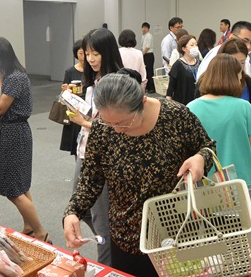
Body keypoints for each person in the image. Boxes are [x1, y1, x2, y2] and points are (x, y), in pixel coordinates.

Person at [63, 72, 215, 276]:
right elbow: (91, 179)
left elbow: (207, 146)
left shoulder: (175, 116)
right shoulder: (102, 129)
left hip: (174, 233)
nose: (116, 130)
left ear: (142, 102)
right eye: (109, 123)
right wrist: (73, 211)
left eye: (123, 123)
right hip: (126, 235)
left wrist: (200, 158)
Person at [0, 37, 49, 242]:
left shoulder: (15, 78)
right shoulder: (9, 75)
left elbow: (0, 108)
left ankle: (41, 233)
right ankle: (29, 226)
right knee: (21, 185)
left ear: (2, 56)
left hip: (14, 133)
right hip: (14, 131)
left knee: (13, 189)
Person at [67, 27, 123, 266]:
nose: (90, 58)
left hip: (103, 158)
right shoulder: (94, 81)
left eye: (95, 53)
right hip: (85, 151)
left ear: (107, 53)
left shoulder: (116, 82)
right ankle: (112, 252)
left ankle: (108, 267)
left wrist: (86, 122)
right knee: (80, 207)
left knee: (100, 220)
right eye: (86, 53)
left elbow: (119, 127)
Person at [189, 53, 251, 200]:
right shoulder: (243, 107)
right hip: (241, 183)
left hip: (205, 185)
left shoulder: (191, 107)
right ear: (235, 77)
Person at [218, 38, 251, 110]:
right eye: (233, 62)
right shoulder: (207, 82)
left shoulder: (248, 82)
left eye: (242, 62)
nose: (238, 67)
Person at [60, 39, 85, 155]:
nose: (84, 56)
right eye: (81, 53)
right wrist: (66, 90)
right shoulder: (70, 71)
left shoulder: (93, 71)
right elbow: (64, 95)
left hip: (88, 108)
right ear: (76, 54)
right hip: (75, 109)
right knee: (77, 146)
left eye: (86, 52)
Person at [166, 34, 200, 105]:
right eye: (192, 45)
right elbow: (171, 85)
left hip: (198, 101)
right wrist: (168, 101)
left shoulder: (200, 63)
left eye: (196, 45)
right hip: (182, 102)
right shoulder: (178, 64)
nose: (195, 47)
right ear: (183, 48)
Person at [140, 22, 155, 93]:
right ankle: (148, 87)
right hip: (145, 54)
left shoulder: (149, 36)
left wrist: (141, 54)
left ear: (148, 29)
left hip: (148, 55)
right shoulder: (143, 36)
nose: (144, 29)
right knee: (145, 71)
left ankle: (152, 88)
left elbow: (147, 47)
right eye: (143, 27)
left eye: (145, 28)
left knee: (149, 71)